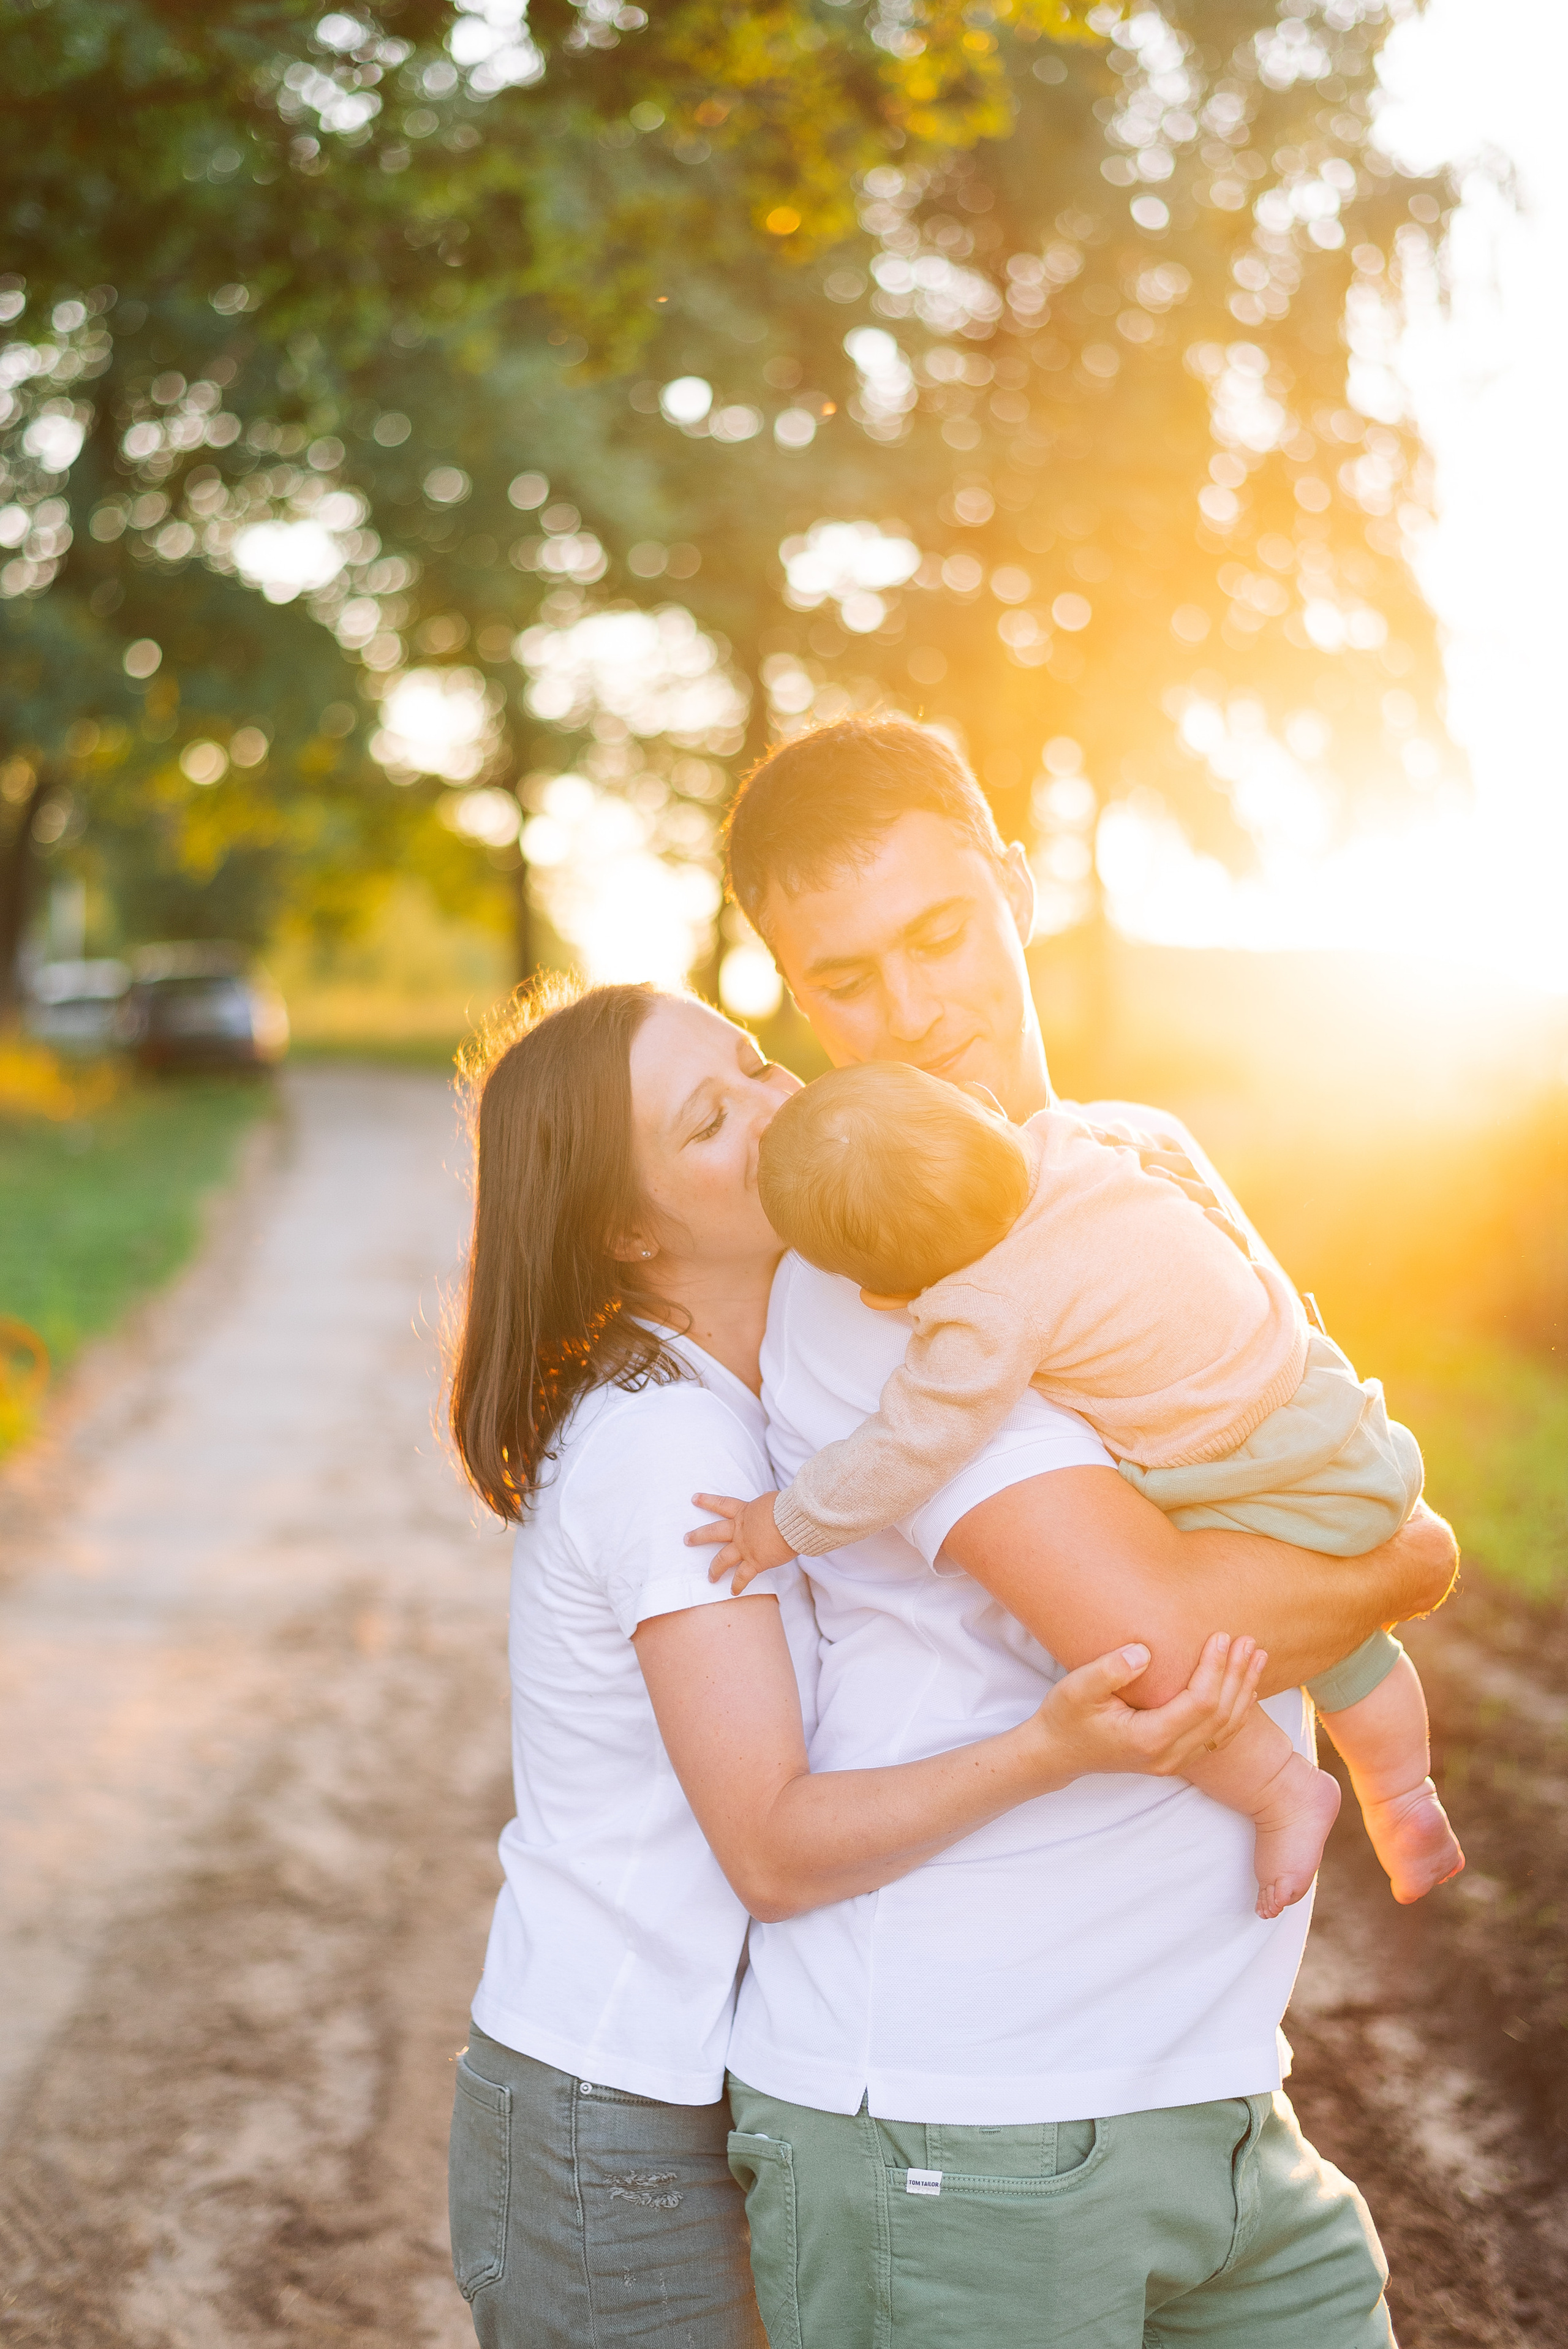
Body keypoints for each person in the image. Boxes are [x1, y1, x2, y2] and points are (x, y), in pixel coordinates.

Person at [690, 714, 1457, 2348]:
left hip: (1219, 2099)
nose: (909, 1012)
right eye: (844, 980)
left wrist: (1391, 1554)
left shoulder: (1143, 1160)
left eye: (940, 935)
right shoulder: (874, 1271)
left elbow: (1290, 1426)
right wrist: (1403, 1568)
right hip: (962, 2128)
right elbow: (1170, 1637)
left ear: (1015, 889)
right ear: (792, 994)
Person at [442, 973, 1266, 2349]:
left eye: (756, 1064)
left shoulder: (767, 1395)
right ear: (631, 1229)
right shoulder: (673, 1449)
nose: (777, 1106)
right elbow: (768, 1846)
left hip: (685, 2093)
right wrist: (1045, 1751)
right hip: (613, 2118)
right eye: (713, 1120)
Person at [699, 1057, 1463, 1920]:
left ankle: (1283, 1788)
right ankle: (1406, 1791)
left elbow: (905, 1444)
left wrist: (783, 1522)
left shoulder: (984, 1311)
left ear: (885, 1294)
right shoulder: (1077, 1140)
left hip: (1238, 1468)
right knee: (1349, 1642)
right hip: (1333, 1414)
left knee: (1137, 1668)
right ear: (983, 1107)